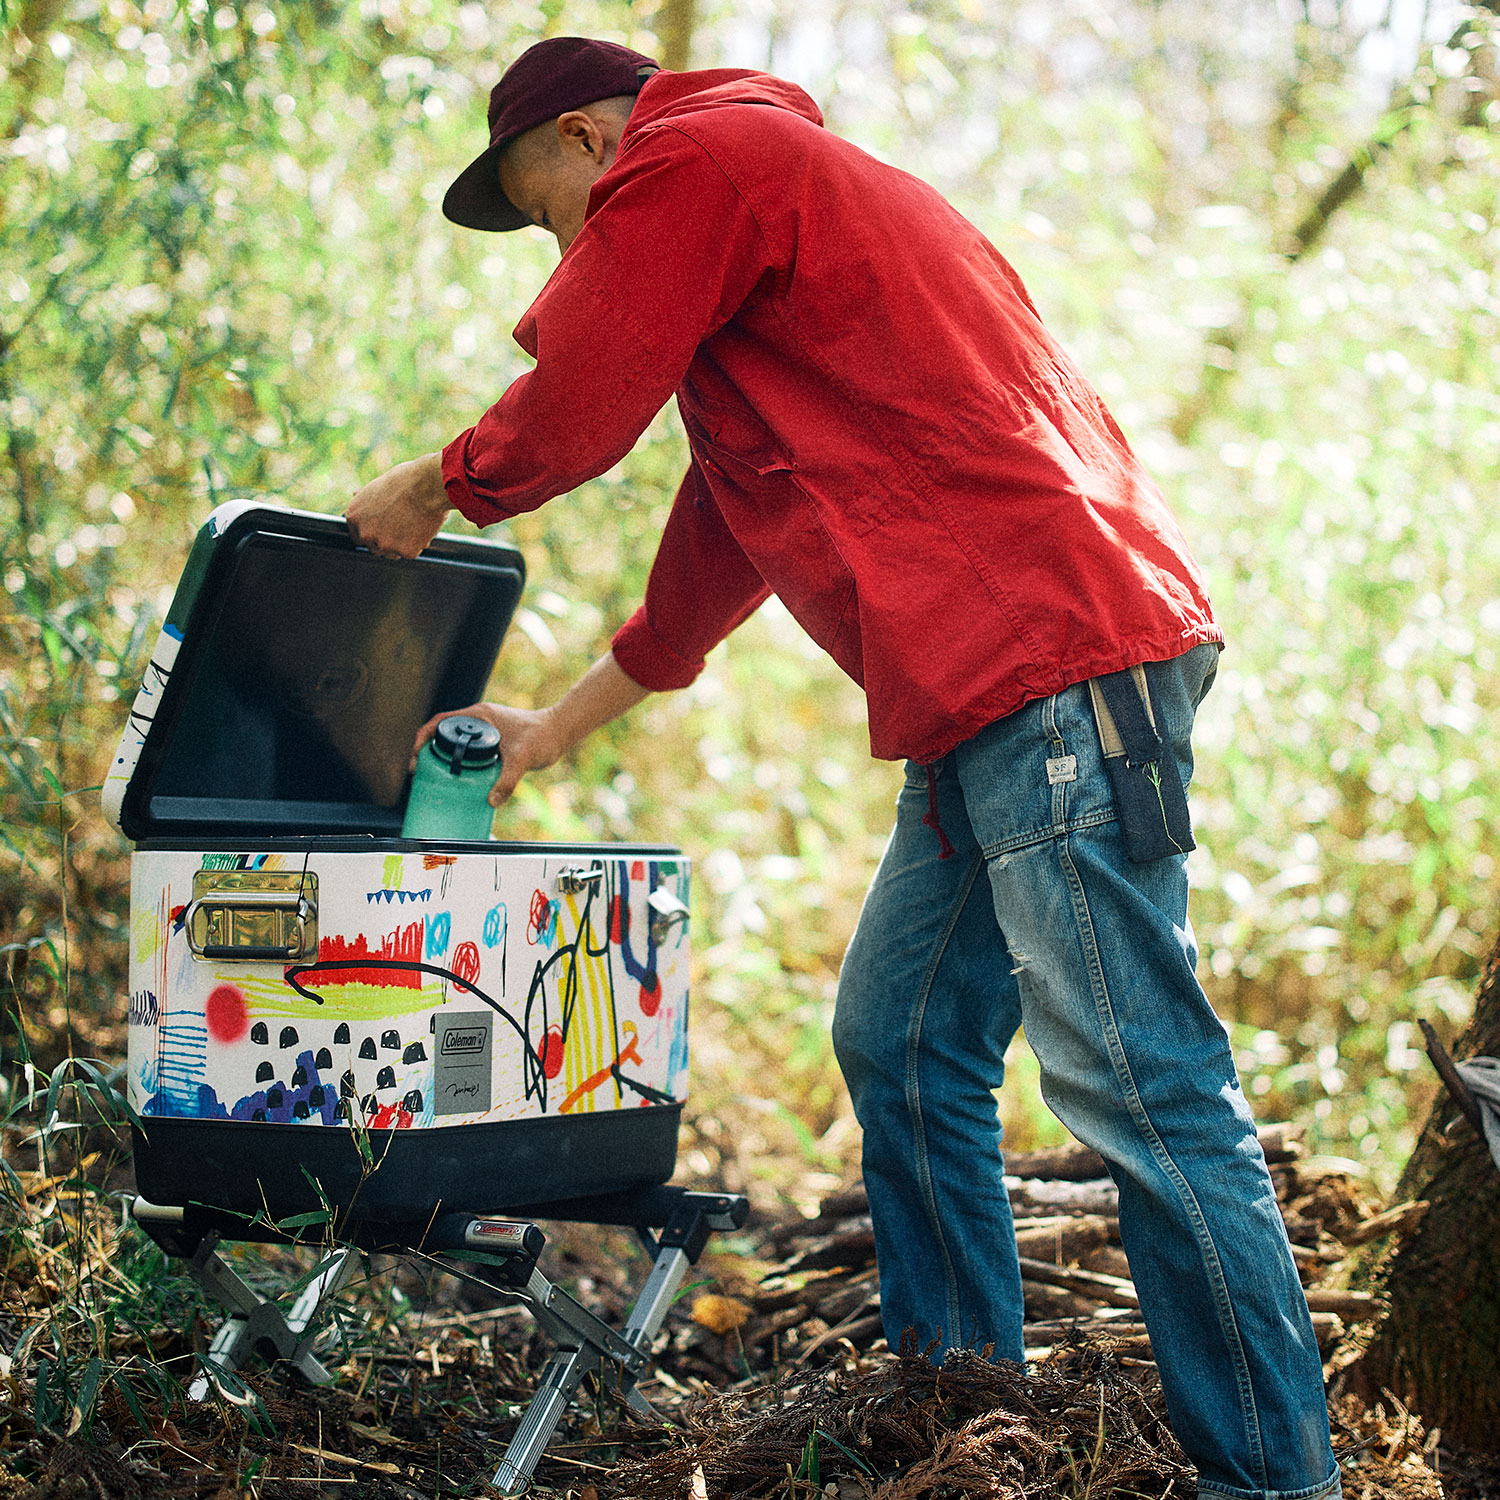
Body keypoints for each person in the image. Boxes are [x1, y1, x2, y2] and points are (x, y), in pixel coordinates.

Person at [346, 36, 1341, 1500]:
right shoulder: (778, 209)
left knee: (1147, 1089)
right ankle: (961, 1422)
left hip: (1056, 669)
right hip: (995, 691)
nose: (566, 253)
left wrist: (437, 485)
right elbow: (719, 529)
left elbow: (583, 398)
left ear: (588, 139)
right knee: (904, 1039)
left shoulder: (697, 158)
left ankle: (1275, 1482)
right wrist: (557, 727)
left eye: (550, 211)